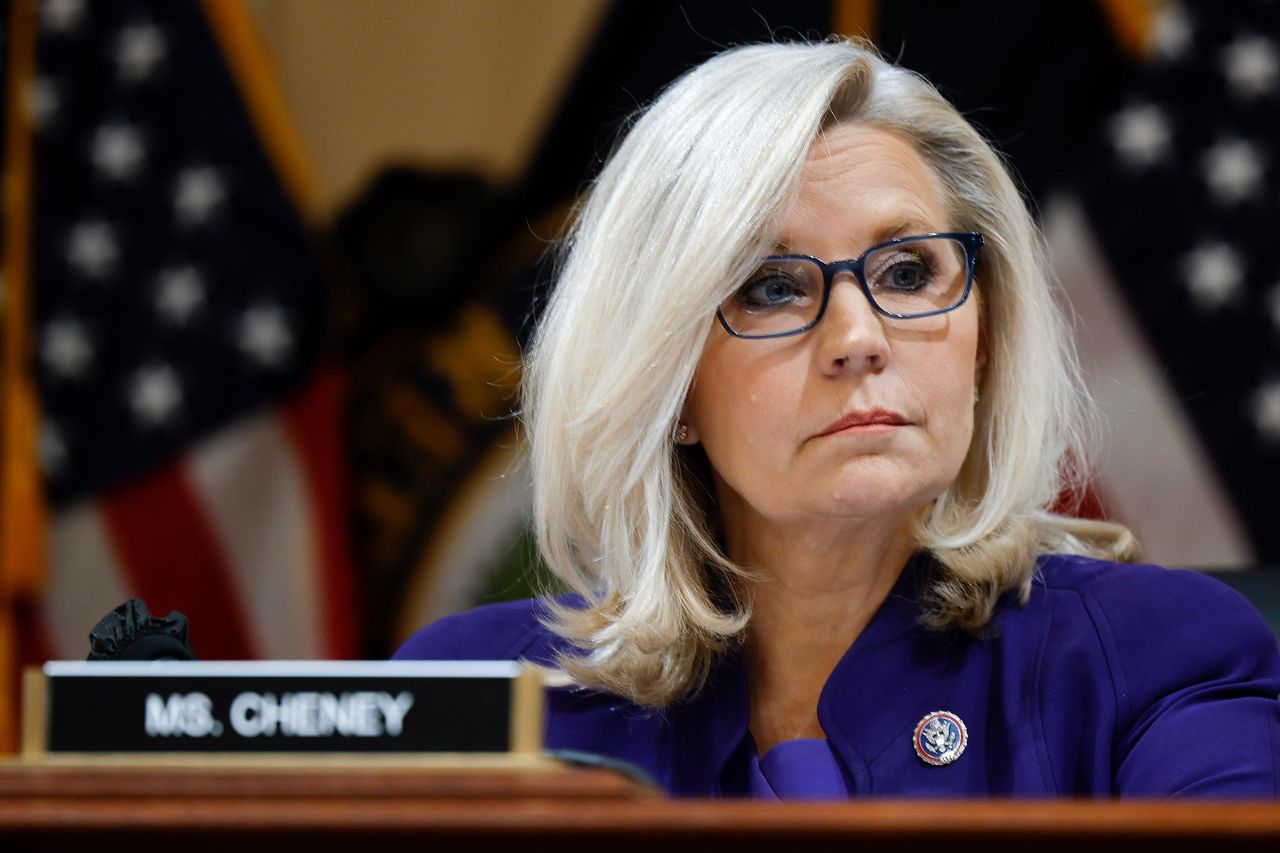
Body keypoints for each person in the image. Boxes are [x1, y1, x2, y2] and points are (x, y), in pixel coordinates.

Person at [395, 39, 1280, 797]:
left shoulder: (1157, 654)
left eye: (907, 273)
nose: (858, 338)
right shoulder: (474, 692)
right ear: (666, 383)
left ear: (983, 340)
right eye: (773, 287)